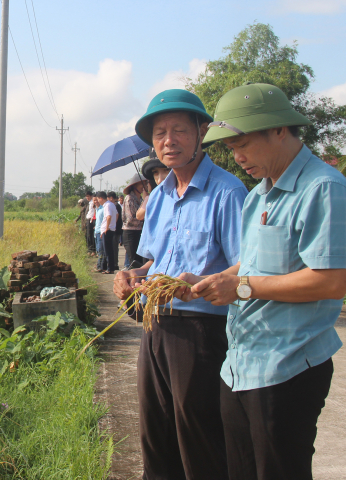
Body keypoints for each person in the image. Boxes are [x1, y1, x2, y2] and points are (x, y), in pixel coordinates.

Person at [175, 83, 346, 480]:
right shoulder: (259, 194)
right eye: (231, 149)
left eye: (243, 144)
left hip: (288, 367)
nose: (238, 158)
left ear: (279, 130)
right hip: (241, 363)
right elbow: (254, 263)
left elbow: (329, 281)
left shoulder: (323, 189)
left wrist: (241, 288)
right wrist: (211, 280)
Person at [113, 89, 248, 480]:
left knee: (198, 433)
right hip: (156, 325)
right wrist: (132, 276)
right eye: (159, 133)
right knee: (155, 430)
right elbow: (155, 262)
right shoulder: (158, 197)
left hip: (202, 332)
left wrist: (201, 282)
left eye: (178, 130)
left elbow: (247, 265)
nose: (168, 140)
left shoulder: (227, 191)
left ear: (201, 132)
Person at [121, 173, 148, 269]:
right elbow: (130, 218)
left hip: (139, 232)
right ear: (135, 185)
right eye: (142, 184)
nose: (144, 187)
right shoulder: (129, 198)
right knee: (134, 261)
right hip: (130, 233)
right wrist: (142, 218)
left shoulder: (141, 198)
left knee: (141, 261)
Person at [100, 191, 120, 273]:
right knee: (109, 250)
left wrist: (107, 227)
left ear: (101, 198)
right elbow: (117, 215)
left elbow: (108, 217)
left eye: (98, 199)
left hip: (107, 230)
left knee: (107, 251)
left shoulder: (107, 205)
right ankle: (108, 268)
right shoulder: (111, 204)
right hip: (110, 229)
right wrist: (113, 224)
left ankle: (110, 269)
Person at [75, 191, 95, 255]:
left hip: (91, 220)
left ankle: (92, 250)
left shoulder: (93, 203)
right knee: (88, 235)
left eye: (88, 196)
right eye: (86, 196)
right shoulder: (88, 204)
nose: (87, 198)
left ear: (91, 196)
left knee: (91, 236)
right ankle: (89, 250)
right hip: (87, 221)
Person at [93, 191, 107, 272]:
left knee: (101, 250)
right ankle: (99, 265)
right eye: (94, 200)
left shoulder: (103, 208)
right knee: (98, 250)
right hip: (97, 231)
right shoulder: (97, 209)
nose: (96, 201)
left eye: (97, 200)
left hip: (101, 232)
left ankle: (100, 266)